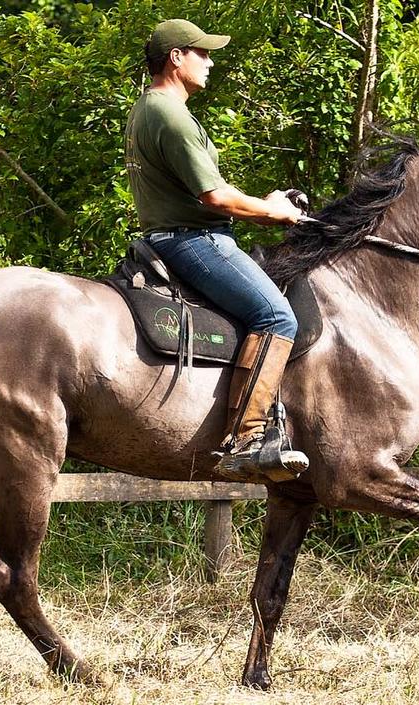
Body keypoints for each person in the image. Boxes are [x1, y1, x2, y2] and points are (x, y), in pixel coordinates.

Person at [124, 19, 309, 481]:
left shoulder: (149, 109)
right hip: (194, 239)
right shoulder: (171, 115)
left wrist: (269, 202)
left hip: (171, 235)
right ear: (176, 58)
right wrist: (274, 213)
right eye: (201, 53)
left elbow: (215, 187)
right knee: (278, 316)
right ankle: (248, 438)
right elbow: (216, 198)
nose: (210, 61)